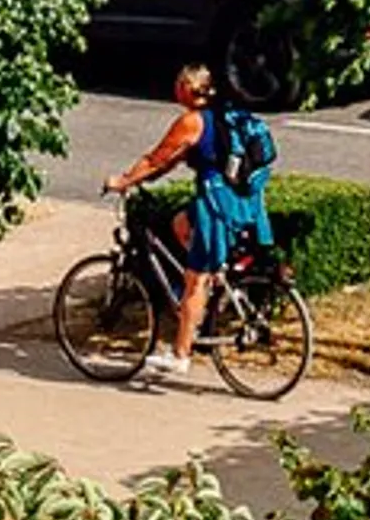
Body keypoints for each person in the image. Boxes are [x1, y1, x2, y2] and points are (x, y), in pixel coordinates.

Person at [101, 62, 273, 376]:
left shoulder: (191, 122)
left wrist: (124, 181)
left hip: (216, 204)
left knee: (195, 279)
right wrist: (151, 174)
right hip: (242, 201)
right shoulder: (222, 115)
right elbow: (173, 159)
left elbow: (156, 158)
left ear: (185, 89)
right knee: (181, 223)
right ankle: (211, 287)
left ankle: (181, 354)